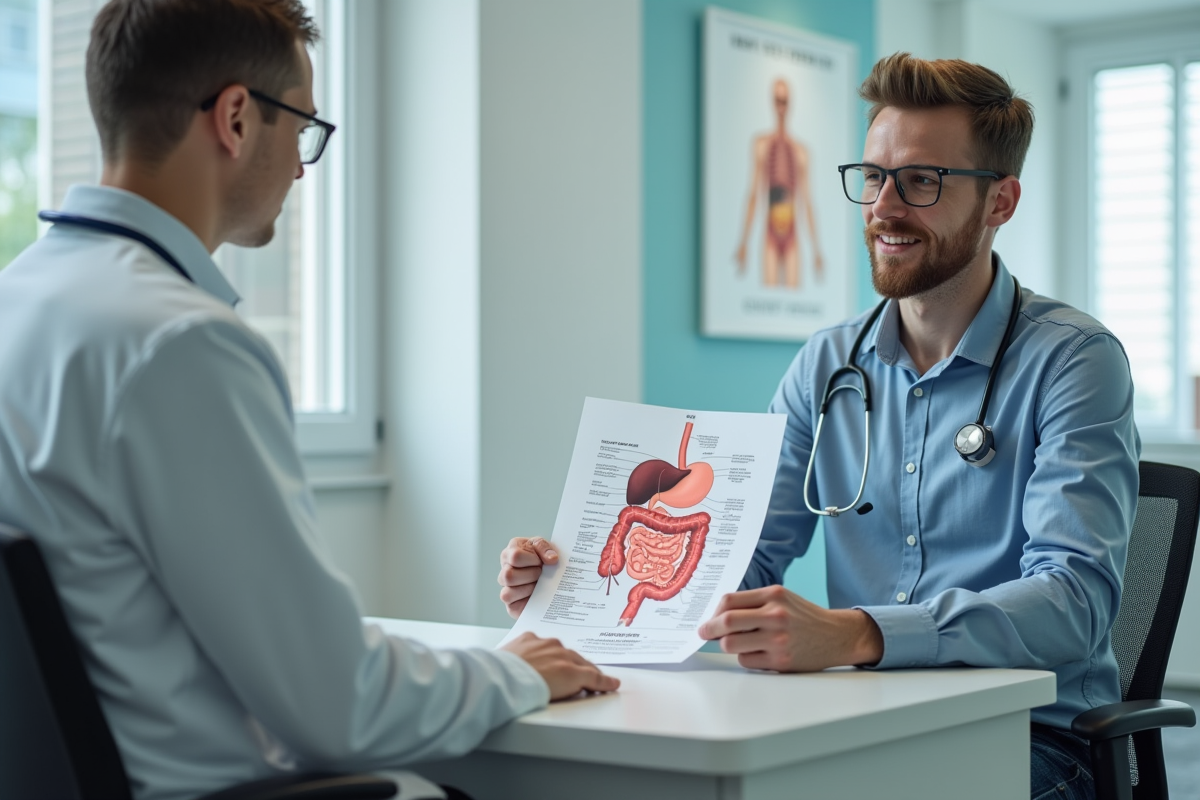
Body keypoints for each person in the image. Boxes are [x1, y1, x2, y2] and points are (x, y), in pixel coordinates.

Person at [0, 2, 617, 800]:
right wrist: (512, 673)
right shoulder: (179, 344)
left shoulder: (21, 304)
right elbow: (341, 708)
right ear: (234, 118)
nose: (299, 166)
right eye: (301, 128)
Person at [499, 53, 1139, 800]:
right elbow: (741, 557)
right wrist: (578, 588)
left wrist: (861, 633)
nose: (884, 208)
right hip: (863, 717)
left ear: (1001, 202)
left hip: (1035, 739)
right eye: (873, 177)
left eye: (922, 181)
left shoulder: (1075, 361)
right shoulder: (828, 366)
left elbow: (1074, 599)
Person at [734, 78, 824, 288]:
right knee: (769, 303)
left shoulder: (801, 152)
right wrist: (744, 242)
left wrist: (816, 249)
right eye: (777, 101)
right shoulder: (761, 144)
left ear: (790, 104)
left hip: (792, 235)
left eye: (784, 101)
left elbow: (807, 202)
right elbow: (753, 195)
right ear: (772, 103)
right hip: (770, 234)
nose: (781, 107)